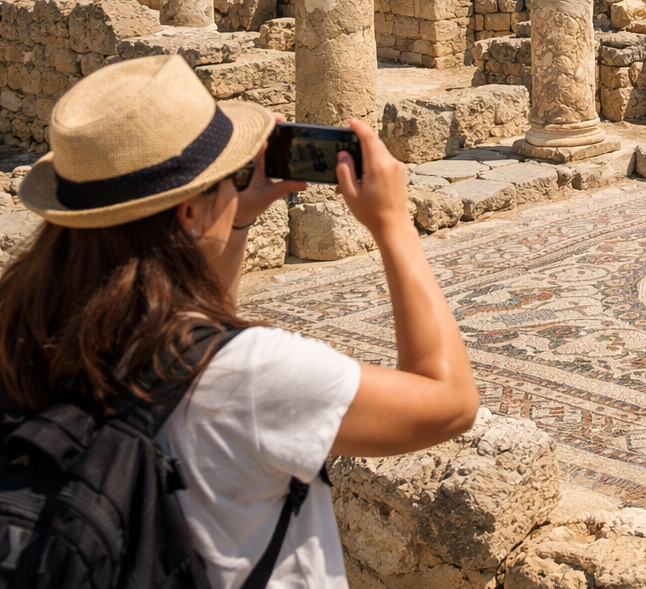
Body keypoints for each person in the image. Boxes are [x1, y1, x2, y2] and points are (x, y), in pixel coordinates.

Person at [1, 54, 479, 588]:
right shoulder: (251, 377)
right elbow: (449, 401)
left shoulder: (26, 327)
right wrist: (394, 224)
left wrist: (237, 215)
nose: (235, 186)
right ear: (189, 212)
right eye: (226, 179)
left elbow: (200, 324)